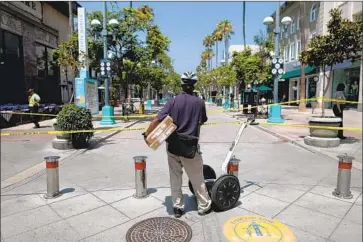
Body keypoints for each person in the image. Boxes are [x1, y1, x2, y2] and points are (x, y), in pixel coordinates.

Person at [143, 71, 212, 218]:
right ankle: (204, 206)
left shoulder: (173, 101)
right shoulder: (199, 102)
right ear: (194, 86)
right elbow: (203, 120)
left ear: (181, 85)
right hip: (190, 147)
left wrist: (147, 134)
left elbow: (157, 120)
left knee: (175, 177)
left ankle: (178, 207)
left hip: (173, 146)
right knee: (197, 177)